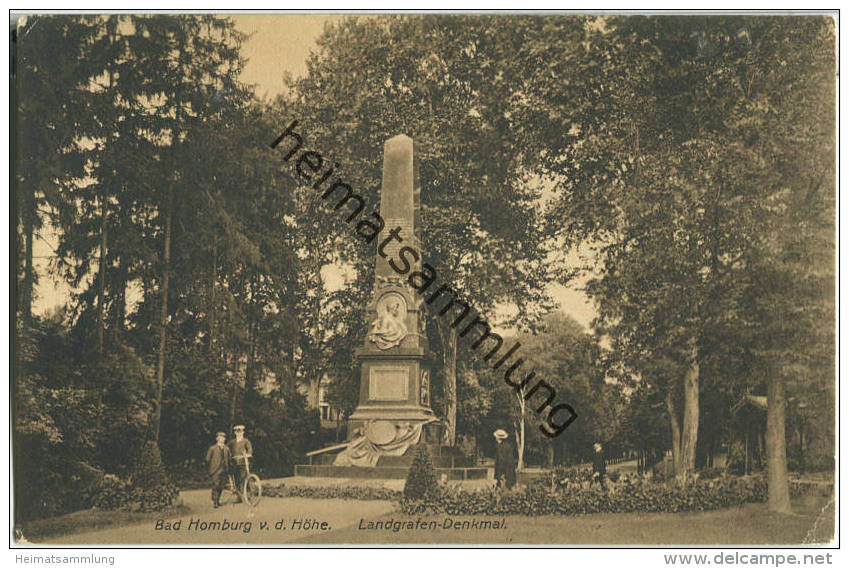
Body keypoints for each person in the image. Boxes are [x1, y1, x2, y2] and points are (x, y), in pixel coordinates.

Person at [205, 431, 230, 508]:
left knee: (221, 485)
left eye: (223, 438)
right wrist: (211, 467)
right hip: (215, 470)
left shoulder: (227, 449)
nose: (222, 439)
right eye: (220, 438)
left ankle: (218, 500)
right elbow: (207, 459)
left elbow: (229, 458)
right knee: (216, 485)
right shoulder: (212, 448)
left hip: (224, 469)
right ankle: (215, 501)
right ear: (217, 439)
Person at [228, 424, 253, 498]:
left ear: (243, 432)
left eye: (240, 432)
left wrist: (249, 454)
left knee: (243, 478)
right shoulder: (232, 442)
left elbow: (250, 449)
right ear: (235, 433)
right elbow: (227, 449)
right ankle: (239, 496)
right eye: (237, 432)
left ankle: (245, 494)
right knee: (236, 479)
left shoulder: (246, 441)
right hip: (234, 463)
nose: (239, 433)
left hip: (243, 463)